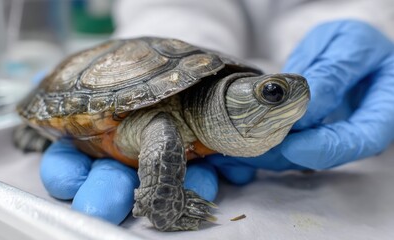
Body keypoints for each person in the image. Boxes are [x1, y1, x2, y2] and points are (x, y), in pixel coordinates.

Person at [39, 0, 394, 224]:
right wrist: (164, 198)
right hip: (132, 75)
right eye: (272, 93)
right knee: (162, 130)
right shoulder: (165, 122)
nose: (297, 94)